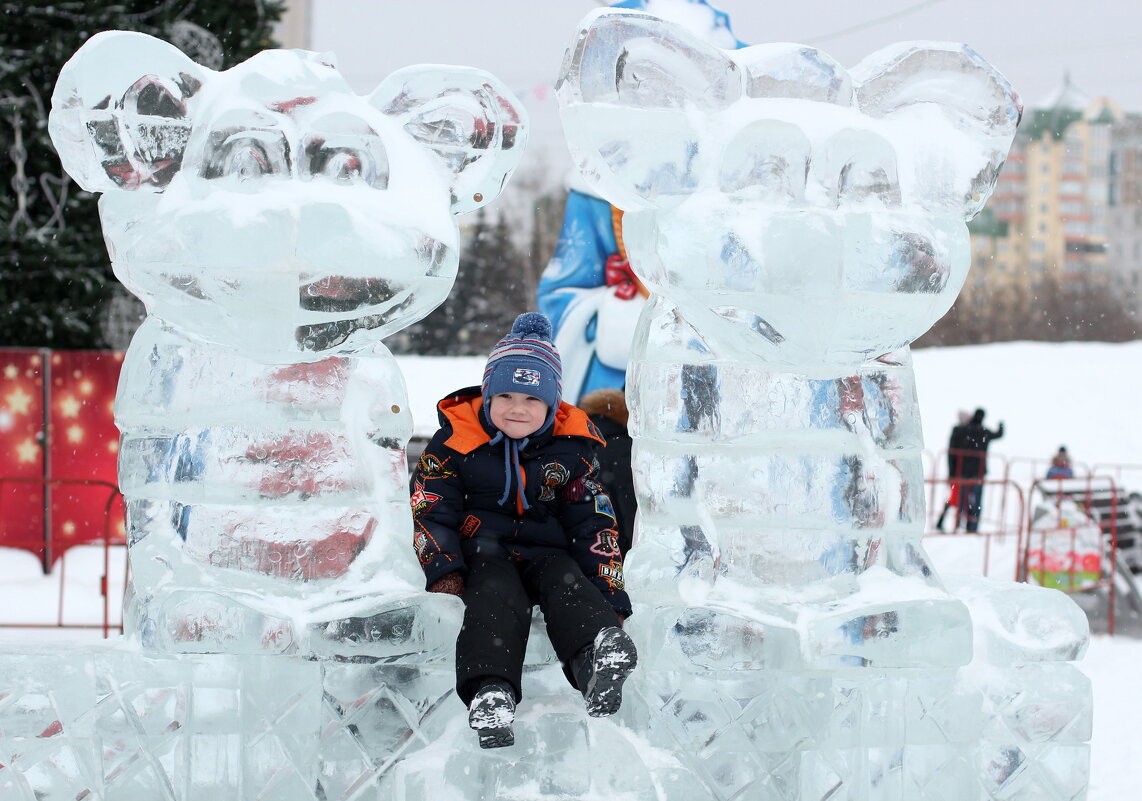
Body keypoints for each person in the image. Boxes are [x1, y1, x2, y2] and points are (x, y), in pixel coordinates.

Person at [410, 312, 636, 749]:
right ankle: (490, 692)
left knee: (568, 585)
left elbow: (595, 521)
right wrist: (445, 569)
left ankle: (597, 660)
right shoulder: (457, 443)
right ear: (487, 394)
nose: (517, 408)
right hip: (483, 554)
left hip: (548, 553)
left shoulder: (572, 449)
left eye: (532, 400)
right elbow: (430, 507)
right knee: (494, 598)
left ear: (552, 405)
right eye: (506, 395)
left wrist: (610, 594)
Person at [577, 387, 637, 555]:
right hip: (617, 552)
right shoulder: (623, 447)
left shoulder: (577, 444)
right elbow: (630, 507)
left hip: (586, 549)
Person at [947, 407, 1004, 533]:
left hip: (963, 471)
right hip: (978, 473)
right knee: (976, 500)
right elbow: (998, 434)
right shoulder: (984, 431)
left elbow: (954, 443)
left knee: (962, 500)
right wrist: (1001, 426)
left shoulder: (964, 430)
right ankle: (972, 526)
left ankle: (958, 524)